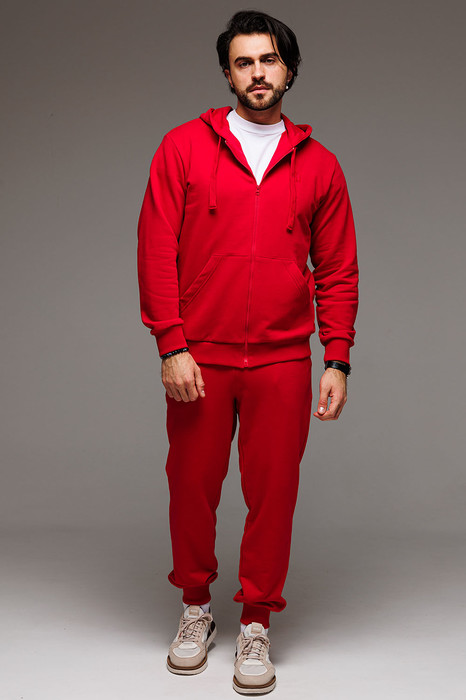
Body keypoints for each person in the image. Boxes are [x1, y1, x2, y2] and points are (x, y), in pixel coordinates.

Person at [137, 9, 359, 695]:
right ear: (227, 73)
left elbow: (338, 269)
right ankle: (195, 609)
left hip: (282, 360)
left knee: (274, 495)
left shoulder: (320, 165)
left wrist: (337, 356)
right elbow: (155, 250)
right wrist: (171, 344)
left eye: (268, 60)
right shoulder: (182, 148)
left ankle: (257, 620)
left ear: (288, 69)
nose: (257, 73)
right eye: (243, 62)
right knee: (191, 488)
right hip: (198, 357)